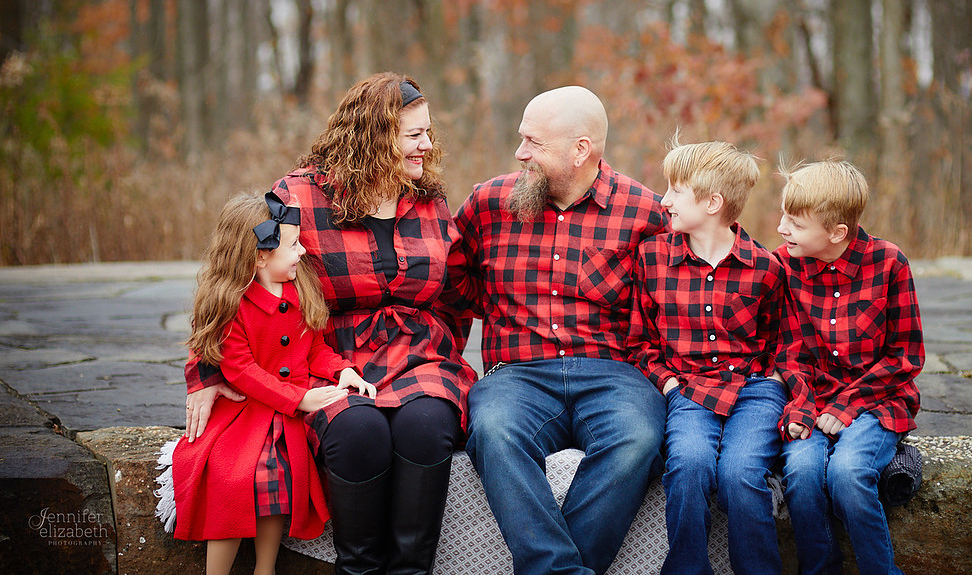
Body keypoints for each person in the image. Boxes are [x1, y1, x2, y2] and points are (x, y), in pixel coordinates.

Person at [186, 73, 478, 575]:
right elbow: (232, 276)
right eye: (413, 135)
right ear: (373, 136)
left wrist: (446, 350)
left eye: (429, 132)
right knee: (359, 433)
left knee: (428, 428)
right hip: (327, 356)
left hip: (420, 357)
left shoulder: (430, 199)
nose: (427, 146)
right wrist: (206, 373)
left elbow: (453, 297)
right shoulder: (298, 197)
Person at [448, 85, 669, 575]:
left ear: (581, 150)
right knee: (493, 430)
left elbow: (681, 299)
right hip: (517, 374)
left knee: (638, 437)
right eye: (522, 139)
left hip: (613, 373)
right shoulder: (489, 203)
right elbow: (447, 284)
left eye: (534, 144)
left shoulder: (646, 213)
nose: (519, 152)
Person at [172, 191, 372, 575]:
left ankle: (266, 569)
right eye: (293, 244)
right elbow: (242, 371)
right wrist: (301, 399)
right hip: (245, 414)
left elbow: (314, 349)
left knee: (278, 485)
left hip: (282, 417)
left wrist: (342, 370)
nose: (302, 252)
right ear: (260, 256)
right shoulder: (233, 305)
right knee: (232, 480)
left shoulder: (299, 291)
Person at [633, 140, 807, 575]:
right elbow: (641, 342)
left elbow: (783, 342)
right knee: (688, 465)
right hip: (688, 390)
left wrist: (778, 384)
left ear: (713, 202)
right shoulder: (652, 258)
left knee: (740, 474)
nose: (664, 200)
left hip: (754, 392)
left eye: (676, 190)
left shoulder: (766, 268)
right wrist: (668, 383)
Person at [774, 160, 924, 575]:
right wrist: (802, 407)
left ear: (837, 233)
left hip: (878, 401)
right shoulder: (785, 266)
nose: (782, 229)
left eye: (797, 224)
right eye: (783, 215)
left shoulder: (889, 263)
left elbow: (906, 356)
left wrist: (847, 404)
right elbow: (789, 352)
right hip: (812, 399)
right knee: (802, 474)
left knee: (847, 473)